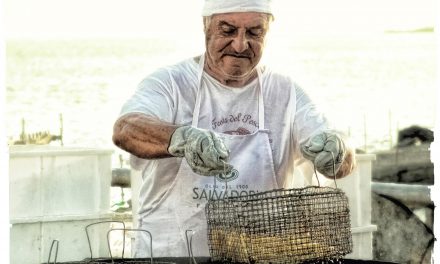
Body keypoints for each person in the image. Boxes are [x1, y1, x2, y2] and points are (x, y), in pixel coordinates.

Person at [112, 0, 355, 258]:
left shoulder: (286, 93)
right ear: (205, 27)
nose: (240, 45)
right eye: (227, 31)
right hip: (169, 256)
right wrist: (181, 139)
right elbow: (125, 128)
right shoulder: (171, 83)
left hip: (260, 258)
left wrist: (338, 149)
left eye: (254, 32)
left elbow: (343, 156)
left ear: (268, 33)